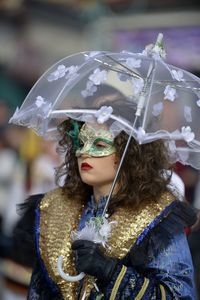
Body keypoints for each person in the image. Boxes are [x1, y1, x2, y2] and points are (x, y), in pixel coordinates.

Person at [9, 47, 199, 299]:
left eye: (99, 144)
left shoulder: (157, 217)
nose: (83, 153)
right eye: (80, 142)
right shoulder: (55, 208)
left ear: (127, 153)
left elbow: (179, 295)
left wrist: (112, 272)